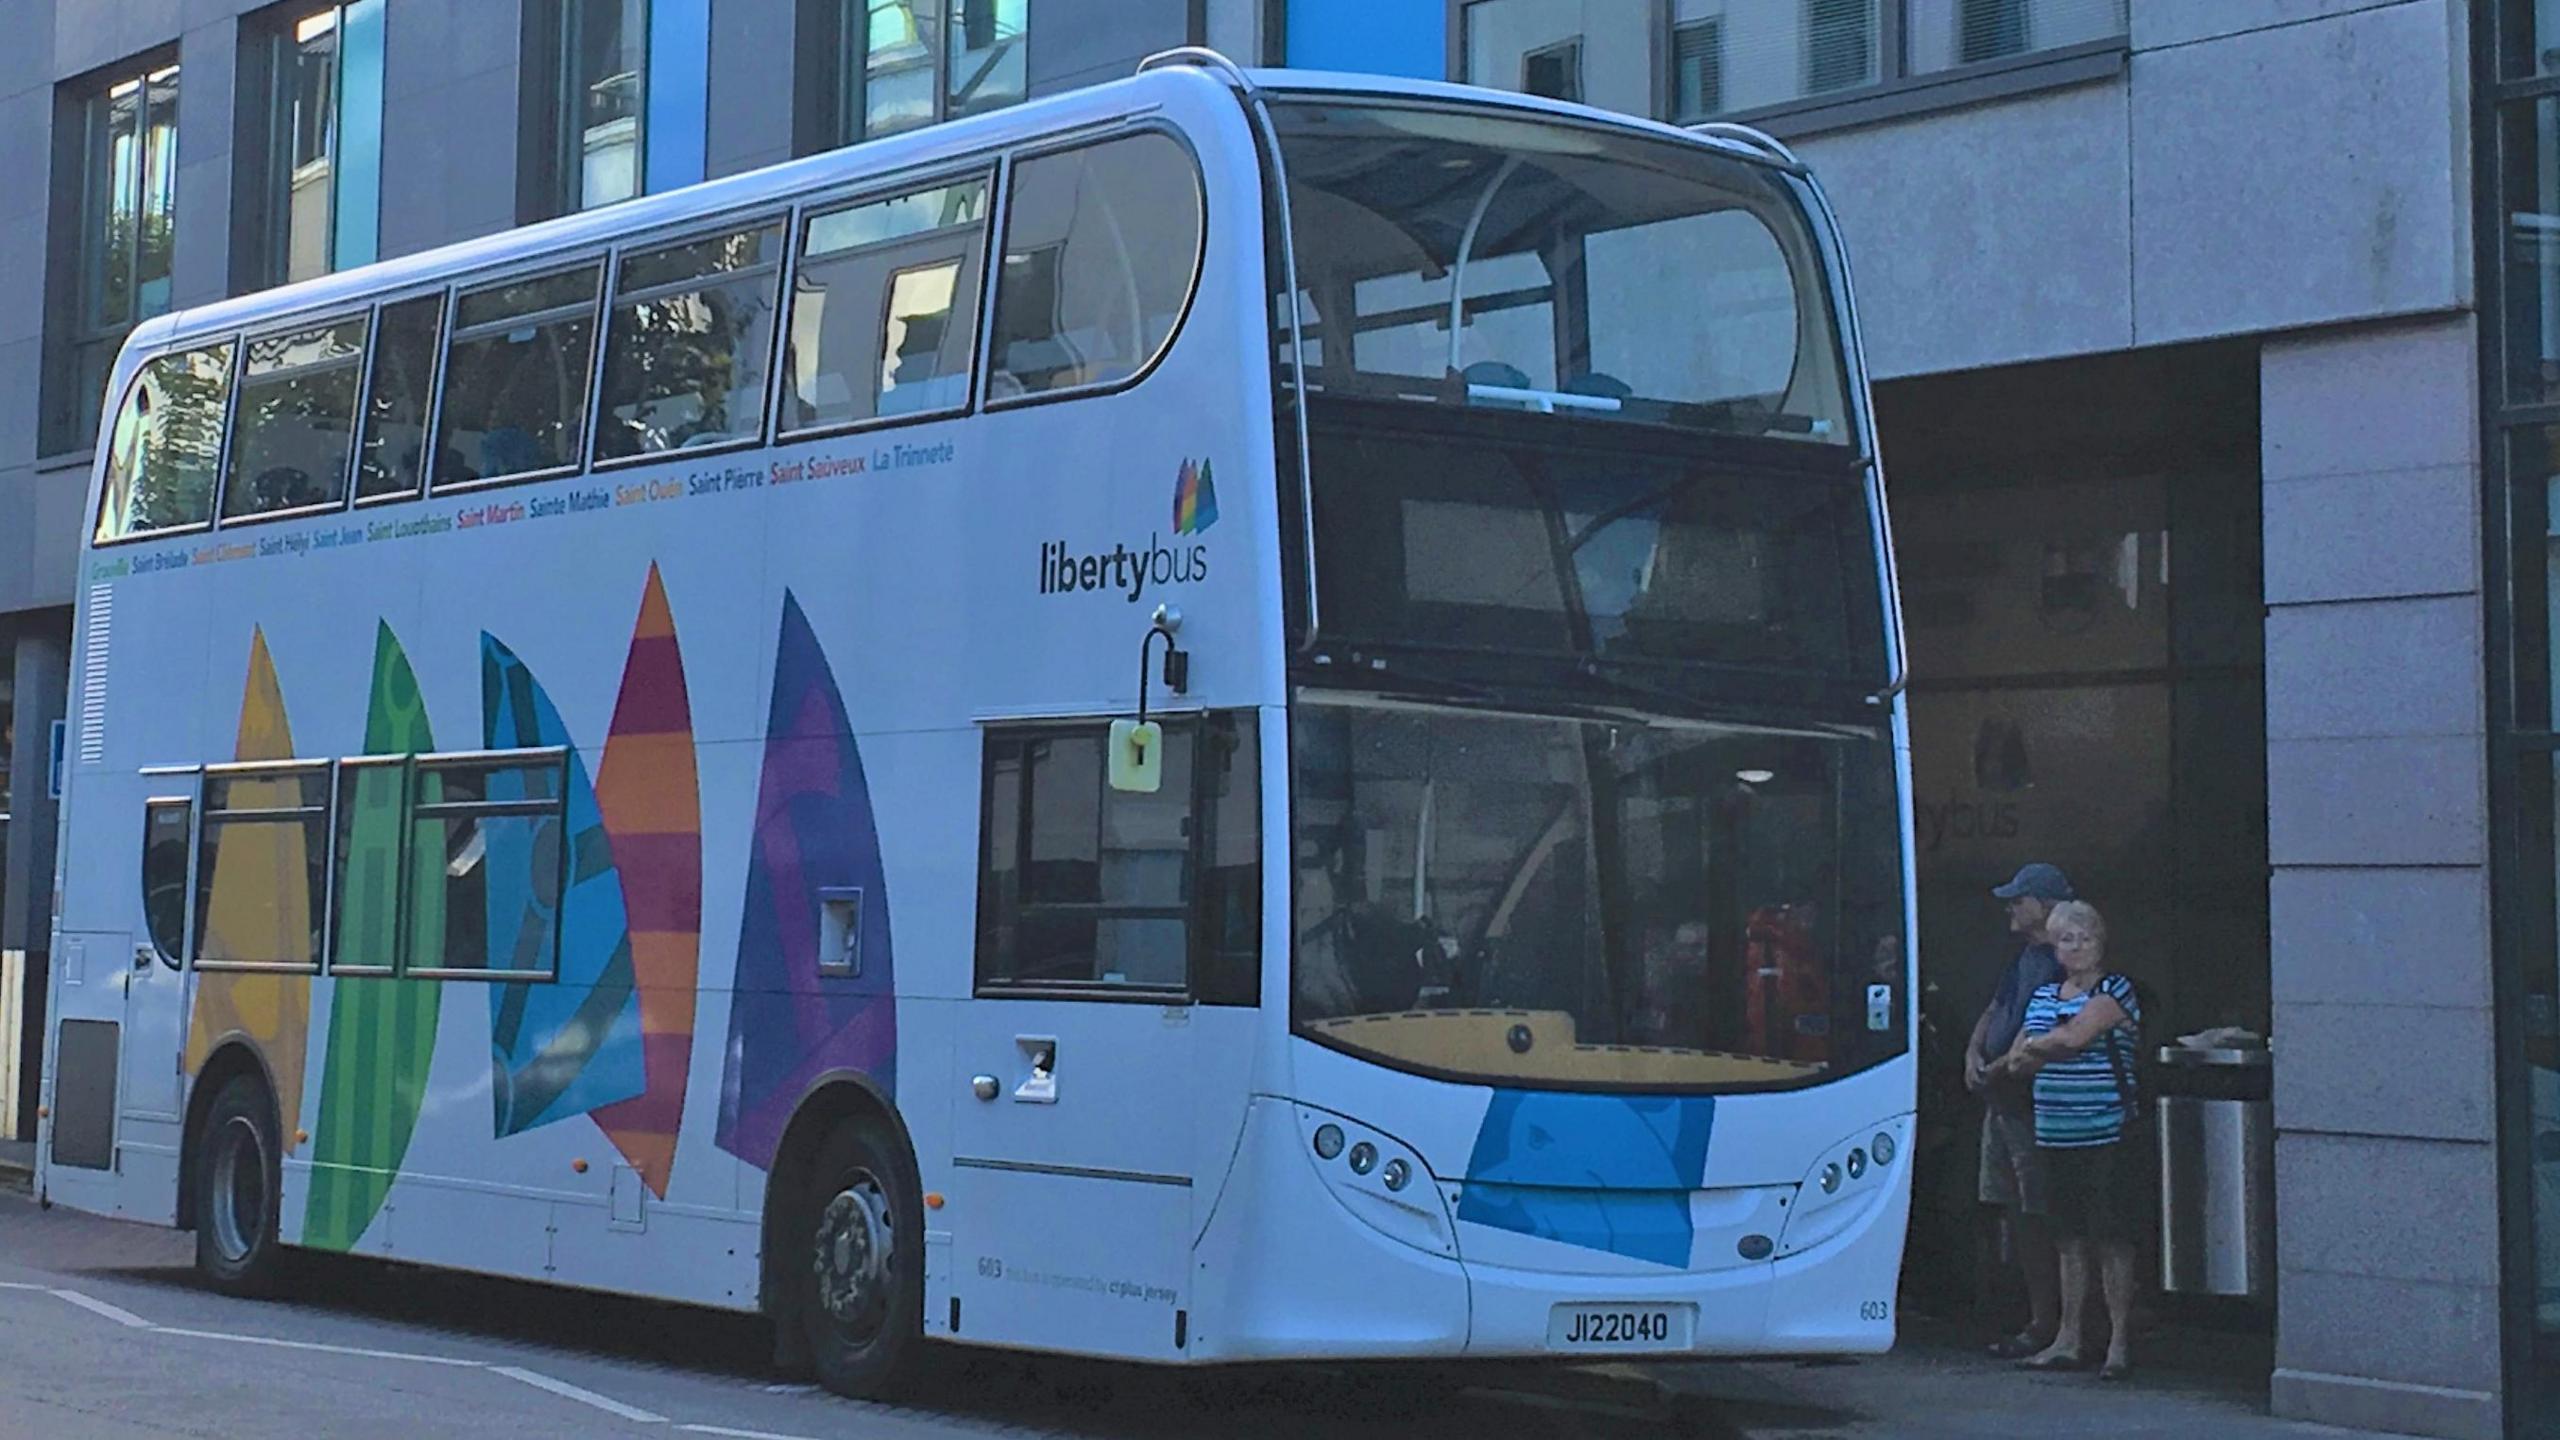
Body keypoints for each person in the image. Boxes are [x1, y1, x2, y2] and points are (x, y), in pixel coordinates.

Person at [1993, 899, 2143, 1381]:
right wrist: (2046, 1042)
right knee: (2068, 1239)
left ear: (2102, 942)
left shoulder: (2116, 989)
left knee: (2113, 1239)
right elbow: (2019, 1062)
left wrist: (2043, 1043)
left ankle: (2118, 1343)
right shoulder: (2043, 996)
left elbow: (2074, 1038)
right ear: (2054, 948)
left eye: (2086, 937)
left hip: (2108, 1131)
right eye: (2066, 939)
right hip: (2055, 1132)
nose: (2076, 947)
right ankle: (2069, 1337)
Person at [1966, 862, 2071, 1360]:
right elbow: (1994, 1008)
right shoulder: (2021, 957)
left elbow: (2047, 1025)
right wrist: (1973, 1054)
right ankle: (2036, 1316)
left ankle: (2051, 1322)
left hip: (2033, 1107)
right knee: (2011, 1210)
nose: (2010, 906)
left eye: (2019, 899)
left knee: (2040, 1215)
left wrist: (2005, 1065)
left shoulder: (2060, 961)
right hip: (2002, 1103)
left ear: (2045, 906)